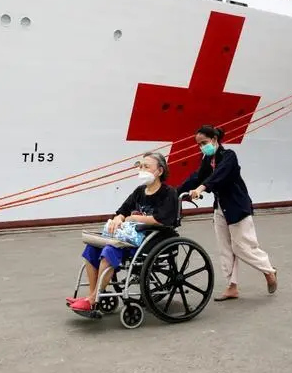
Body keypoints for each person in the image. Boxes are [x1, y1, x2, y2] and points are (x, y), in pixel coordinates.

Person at [68, 152, 179, 311]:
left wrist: (135, 219)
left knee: (109, 250)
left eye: (146, 167)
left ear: (160, 171)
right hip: (130, 236)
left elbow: (162, 219)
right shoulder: (139, 192)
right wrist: (118, 219)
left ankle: (93, 299)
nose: (142, 170)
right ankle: (91, 295)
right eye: (140, 166)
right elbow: (122, 211)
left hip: (153, 239)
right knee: (91, 248)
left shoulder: (168, 193)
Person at [178, 125, 277, 301]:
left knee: (243, 246)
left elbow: (219, 176)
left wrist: (202, 188)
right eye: (199, 145)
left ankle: (268, 270)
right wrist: (174, 191)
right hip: (220, 208)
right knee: (225, 249)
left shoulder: (229, 156)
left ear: (214, 139)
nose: (202, 147)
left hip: (237, 207)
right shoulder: (207, 160)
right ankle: (232, 287)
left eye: (204, 143)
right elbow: (197, 177)